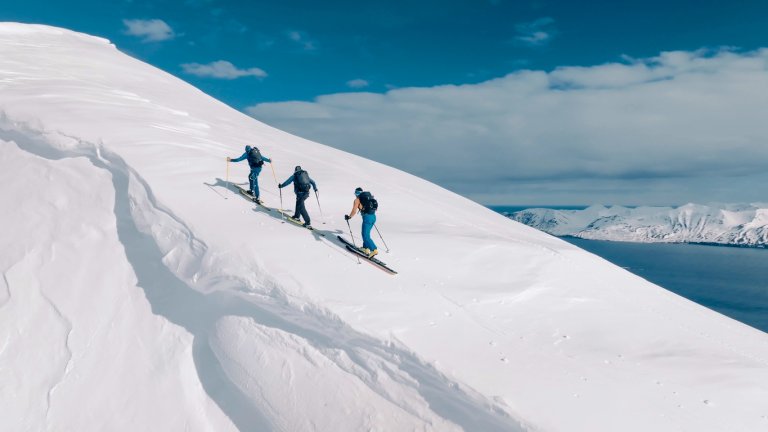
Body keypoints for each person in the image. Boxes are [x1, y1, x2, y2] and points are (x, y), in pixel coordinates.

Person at [345, 187, 378, 258]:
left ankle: (374, 250)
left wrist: (349, 217)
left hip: (367, 218)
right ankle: (365, 248)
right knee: (366, 234)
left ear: (357, 193)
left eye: (355, 193)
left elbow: (354, 211)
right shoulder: (369, 197)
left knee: (365, 235)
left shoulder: (357, 200)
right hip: (373, 217)